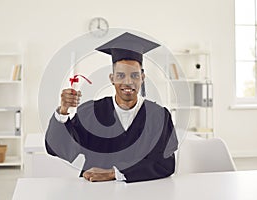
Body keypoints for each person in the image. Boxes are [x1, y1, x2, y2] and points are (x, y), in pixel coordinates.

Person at [45, 32, 178, 183]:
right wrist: (63, 111)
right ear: (112, 78)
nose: (128, 82)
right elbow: (60, 149)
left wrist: (115, 173)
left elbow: (165, 164)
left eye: (134, 75)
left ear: (142, 77)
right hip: (95, 192)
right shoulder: (91, 112)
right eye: (121, 76)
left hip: (143, 193)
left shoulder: (158, 116)